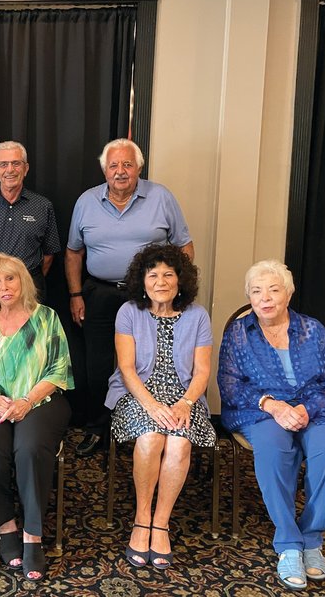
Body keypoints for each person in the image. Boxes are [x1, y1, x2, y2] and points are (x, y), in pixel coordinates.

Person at [219, 259, 325, 591]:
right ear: (249, 297)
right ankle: (289, 543)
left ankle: (312, 537)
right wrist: (274, 405)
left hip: (316, 408)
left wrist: (307, 408)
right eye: (256, 291)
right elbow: (230, 386)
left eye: (274, 290)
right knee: (273, 449)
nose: (265, 298)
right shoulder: (239, 334)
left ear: (288, 294)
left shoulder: (313, 330)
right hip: (261, 409)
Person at [65, 138, 194, 455]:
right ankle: (98, 426)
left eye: (127, 164)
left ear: (139, 167)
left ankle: (141, 426)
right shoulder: (86, 201)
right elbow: (73, 252)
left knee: (148, 363)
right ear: (104, 170)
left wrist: (177, 291)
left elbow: (185, 247)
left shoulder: (161, 197)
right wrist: (75, 294)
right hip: (99, 292)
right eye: (113, 165)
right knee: (96, 366)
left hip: (149, 296)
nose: (120, 171)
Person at [0, 254, 73, 582]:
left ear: (23, 281)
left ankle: (32, 535)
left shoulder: (47, 318)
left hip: (40, 399)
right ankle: (6, 524)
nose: (4, 287)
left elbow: (58, 369)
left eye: (11, 279)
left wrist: (26, 400)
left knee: (31, 447)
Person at [104, 244, 215, 570]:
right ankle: (141, 519)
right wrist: (152, 406)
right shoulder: (128, 312)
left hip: (185, 397)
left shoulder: (198, 315)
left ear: (181, 280)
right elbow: (126, 368)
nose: (161, 281)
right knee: (151, 437)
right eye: (153, 275)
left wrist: (186, 403)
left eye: (168, 274)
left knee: (179, 442)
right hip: (137, 396)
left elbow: (203, 371)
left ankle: (161, 523)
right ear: (142, 281)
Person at [0, 141, 60, 300]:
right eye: (3, 164)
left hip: (31, 289)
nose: (10, 170)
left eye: (16, 163)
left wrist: (25, 280)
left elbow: (49, 254)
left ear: (26, 168)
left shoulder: (43, 206)